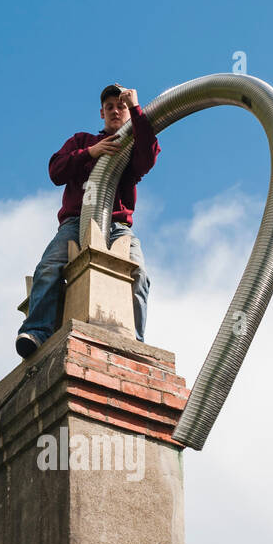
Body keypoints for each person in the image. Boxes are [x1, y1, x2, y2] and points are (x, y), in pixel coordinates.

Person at [15, 83, 160, 358]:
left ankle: (135, 342)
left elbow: (148, 158)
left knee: (139, 273)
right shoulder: (82, 141)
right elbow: (55, 171)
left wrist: (138, 109)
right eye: (110, 107)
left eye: (121, 106)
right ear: (102, 113)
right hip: (75, 222)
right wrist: (90, 153)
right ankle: (36, 331)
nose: (116, 111)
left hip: (118, 227)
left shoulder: (131, 145)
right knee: (49, 267)